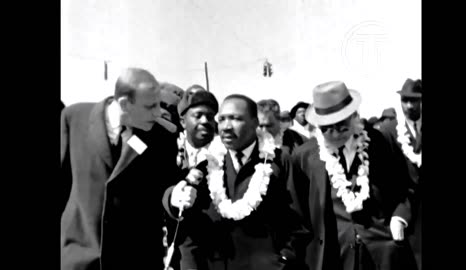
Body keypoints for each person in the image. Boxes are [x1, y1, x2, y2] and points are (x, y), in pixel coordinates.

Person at [166, 94, 311, 270]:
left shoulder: (279, 163)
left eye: (235, 119)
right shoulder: (207, 168)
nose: (226, 127)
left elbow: (299, 225)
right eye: (222, 119)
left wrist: (282, 260)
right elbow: (192, 232)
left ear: (255, 123)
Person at [60, 67, 180, 270]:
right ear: (125, 103)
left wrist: (175, 195)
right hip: (80, 257)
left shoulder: (162, 136)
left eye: (159, 104)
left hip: (135, 259)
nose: (158, 112)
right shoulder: (73, 118)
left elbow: (165, 189)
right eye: (150, 106)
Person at [292, 81, 417, 270]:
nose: (334, 134)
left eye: (341, 125)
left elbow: (406, 187)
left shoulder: (378, 142)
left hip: (382, 252)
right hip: (334, 256)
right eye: (326, 128)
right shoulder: (304, 157)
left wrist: (399, 218)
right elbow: (298, 214)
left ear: (354, 116)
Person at [162, 86, 220, 270]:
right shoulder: (166, 152)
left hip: (220, 247)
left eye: (210, 116)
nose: (205, 121)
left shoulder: (227, 153)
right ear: (182, 120)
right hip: (180, 246)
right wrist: (172, 198)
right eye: (198, 115)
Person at [380, 78, 422, 270]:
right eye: (405, 100)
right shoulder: (389, 131)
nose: (409, 106)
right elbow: (387, 179)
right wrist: (397, 214)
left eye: (414, 100)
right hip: (407, 214)